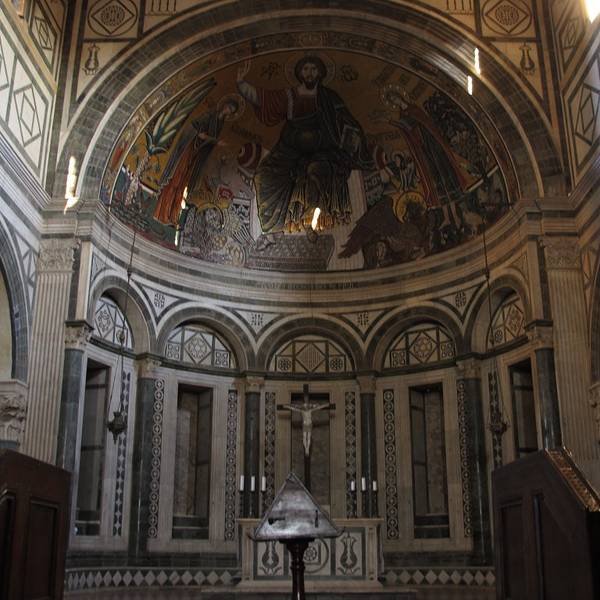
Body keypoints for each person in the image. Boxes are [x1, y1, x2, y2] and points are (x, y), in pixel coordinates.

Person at [236, 55, 374, 234]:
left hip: (323, 149)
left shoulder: (329, 97)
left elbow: (346, 122)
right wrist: (241, 83)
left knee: (315, 169)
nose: (310, 73)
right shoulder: (290, 95)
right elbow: (265, 99)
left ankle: (314, 218)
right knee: (264, 175)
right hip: (290, 150)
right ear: (300, 73)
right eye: (306, 69)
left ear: (320, 73)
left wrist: (354, 141)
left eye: (313, 69)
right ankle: (271, 231)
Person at [153, 96, 240, 225]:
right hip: (190, 148)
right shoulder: (210, 115)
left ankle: (173, 216)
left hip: (198, 153)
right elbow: (197, 131)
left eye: (231, 111)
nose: (228, 111)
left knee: (184, 182)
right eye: (228, 107)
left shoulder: (220, 123)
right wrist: (214, 141)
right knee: (176, 178)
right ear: (224, 105)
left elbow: (208, 140)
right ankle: (161, 213)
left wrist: (213, 142)